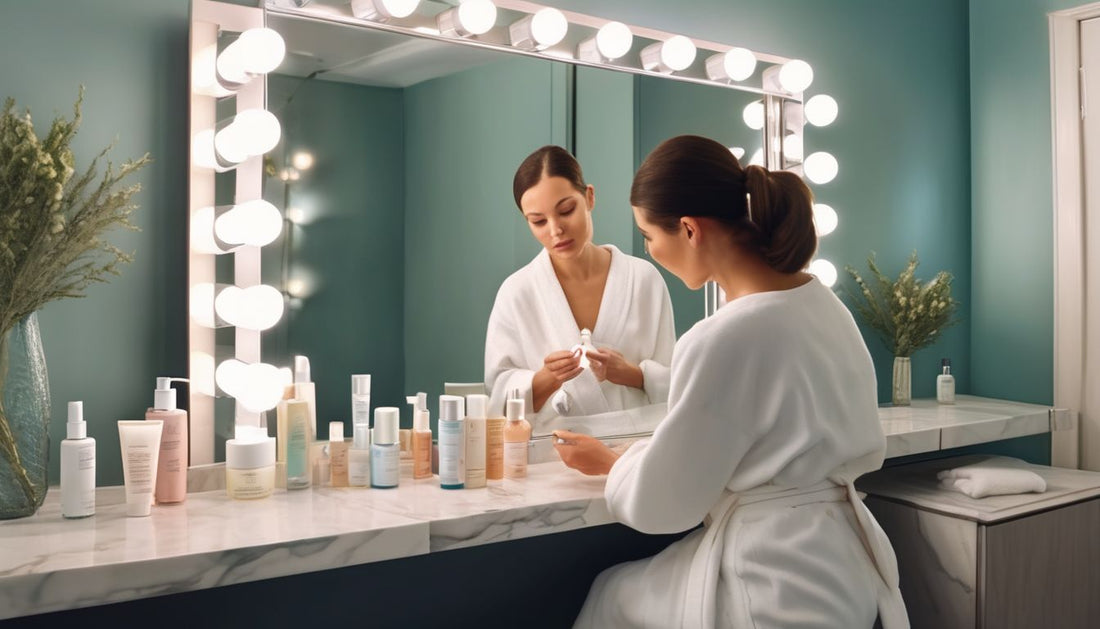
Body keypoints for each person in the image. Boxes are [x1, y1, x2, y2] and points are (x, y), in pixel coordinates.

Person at [554, 135, 908, 628]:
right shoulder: (826, 305)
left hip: (770, 577)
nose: (652, 252)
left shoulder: (723, 337)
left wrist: (613, 463)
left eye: (649, 237)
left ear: (688, 229)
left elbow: (665, 506)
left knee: (611, 593)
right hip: (845, 565)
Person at [485, 145, 675, 431]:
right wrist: (546, 379)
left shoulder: (643, 280)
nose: (555, 230)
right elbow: (496, 395)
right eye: (538, 221)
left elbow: (677, 386)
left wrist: (632, 374)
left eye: (566, 210)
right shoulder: (516, 293)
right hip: (549, 458)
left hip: (631, 454)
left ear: (589, 197)